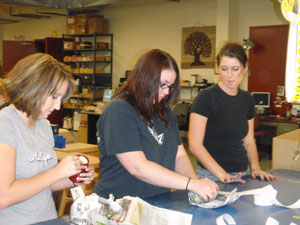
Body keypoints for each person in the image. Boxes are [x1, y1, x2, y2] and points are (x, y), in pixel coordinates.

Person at [93, 49, 219, 201]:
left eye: (170, 86)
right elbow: (138, 167)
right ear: (144, 78)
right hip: (120, 205)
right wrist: (190, 184)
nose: (166, 92)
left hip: (158, 201)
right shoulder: (119, 110)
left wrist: (196, 185)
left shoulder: (163, 110)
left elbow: (179, 155)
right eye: (162, 84)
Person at [0, 53, 95, 225]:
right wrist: (57, 172)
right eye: (54, 97)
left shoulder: (43, 124)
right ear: (32, 87)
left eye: (61, 98)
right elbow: (3, 197)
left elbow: (44, 185)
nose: (58, 106)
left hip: (47, 219)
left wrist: (72, 178)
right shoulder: (4, 125)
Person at [188, 42, 276, 183]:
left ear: (245, 68)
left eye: (235, 69)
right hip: (212, 176)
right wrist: (222, 174)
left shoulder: (247, 99)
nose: (229, 75)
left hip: (243, 174)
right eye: (224, 68)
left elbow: (248, 141)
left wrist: (255, 167)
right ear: (217, 68)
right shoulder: (206, 97)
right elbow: (195, 145)